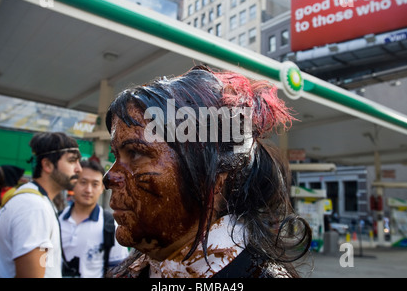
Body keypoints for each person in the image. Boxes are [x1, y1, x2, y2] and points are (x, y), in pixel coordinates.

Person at [104, 65, 312, 278]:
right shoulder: (137, 269)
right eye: (115, 156)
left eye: (136, 153)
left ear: (216, 175)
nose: (109, 177)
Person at [0, 132, 82, 278]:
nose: (79, 169)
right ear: (47, 165)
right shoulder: (34, 207)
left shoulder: (36, 201)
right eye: (72, 161)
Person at [59, 160, 129, 278]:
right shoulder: (57, 220)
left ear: (102, 188)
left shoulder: (111, 226)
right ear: (73, 183)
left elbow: (118, 272)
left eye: (95, 184)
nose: (88, 190)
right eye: (83, 182)